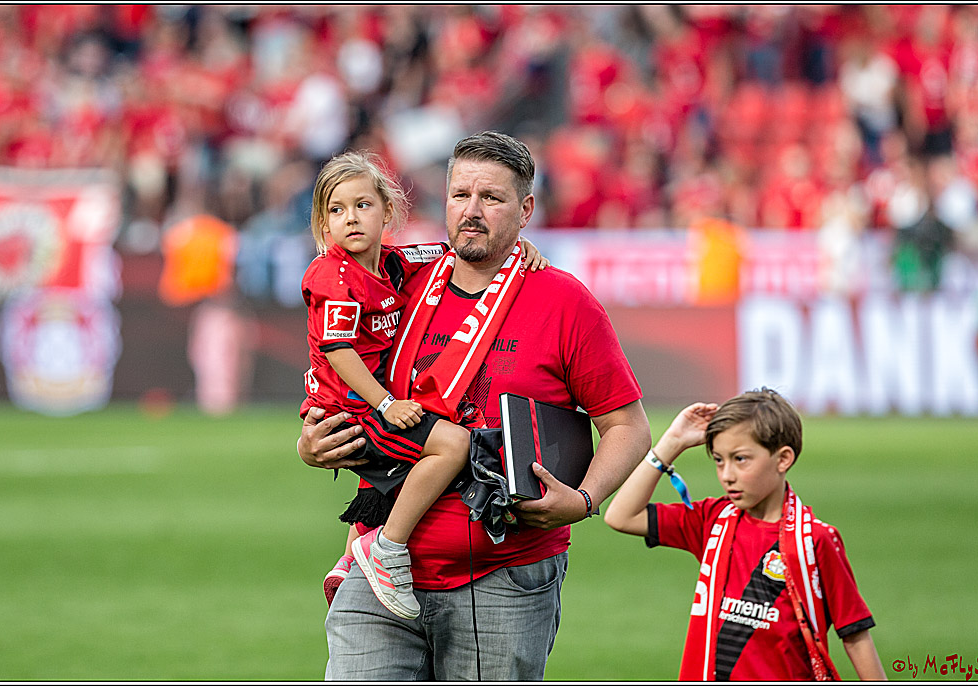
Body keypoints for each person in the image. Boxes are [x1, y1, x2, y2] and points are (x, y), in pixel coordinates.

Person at [297, 131, 651, 680]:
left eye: (492, 198)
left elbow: (628, 426)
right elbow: (336, 364)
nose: (472, 211)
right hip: (380, 566)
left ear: (526, 209)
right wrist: (314, 439)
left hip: (502, 578)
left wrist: (584, 500)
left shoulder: (566, 301)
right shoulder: (400, 280)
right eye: (461, 195)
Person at [301, 151, 547, 620]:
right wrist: (387, 402)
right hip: (352, 409)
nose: (350, 218)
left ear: (387, 211)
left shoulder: (395, 262)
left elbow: (455, 248)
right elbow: (339, 350)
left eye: (362, 206)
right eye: (336, 210)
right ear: (322, 222)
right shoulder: (334, 276)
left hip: (367, 403)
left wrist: (521, 249)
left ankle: (353, 550)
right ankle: (387, 549)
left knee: (408, 455)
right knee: (451, 445)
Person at [604, 389, 886, 681]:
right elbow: (621, 515)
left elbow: (854, 634)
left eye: (740, 459)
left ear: (783, 459)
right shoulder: (712, 520)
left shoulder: (815, 540)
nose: (727, 474)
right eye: (718, 460)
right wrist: (671, 443)